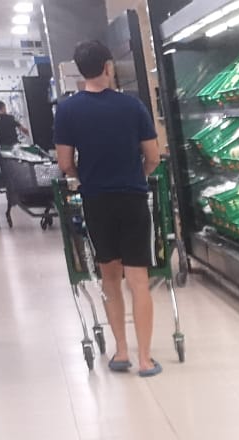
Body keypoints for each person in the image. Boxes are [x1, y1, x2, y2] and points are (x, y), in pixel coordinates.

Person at [54, 40, 163, 377]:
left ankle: (120, 352)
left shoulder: (67, 110)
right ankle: (145, 359)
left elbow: (64, 163)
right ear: (108, 67)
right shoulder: (133, 107)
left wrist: (86, 176)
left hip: (96, 200)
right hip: (132, 198)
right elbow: (154, 157)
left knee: (110, 278)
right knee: (139, 279)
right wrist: (136, 175)